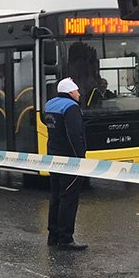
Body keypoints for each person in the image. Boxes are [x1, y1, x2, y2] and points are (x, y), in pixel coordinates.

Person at [43, 78, 88, 251]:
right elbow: (74, 135)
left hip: (54, 158)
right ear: (70, 92)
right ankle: (65, 238)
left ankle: (53, 236)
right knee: (68, 199)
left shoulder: (50, 105)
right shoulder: (71, 108)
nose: (79, 94)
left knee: (56, 197)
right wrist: (80, 158)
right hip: (70, 161)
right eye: (76, 91)